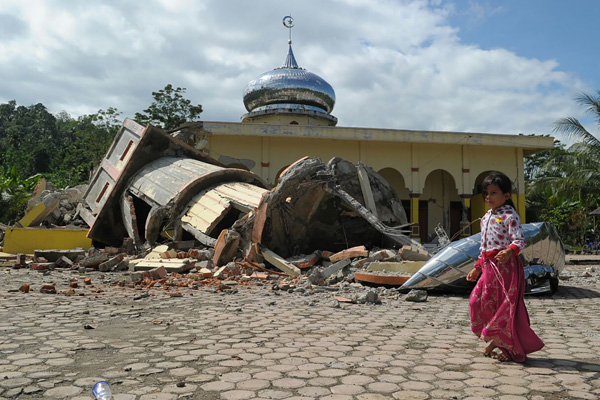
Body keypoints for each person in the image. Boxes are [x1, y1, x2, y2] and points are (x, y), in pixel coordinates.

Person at [467, 171, 544, 362]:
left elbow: (520, 240)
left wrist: (509, 251)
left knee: (503, 308)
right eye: (486, 193)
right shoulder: (485, 217)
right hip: (488, 267)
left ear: (506, 195)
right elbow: (484, 246)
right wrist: (477, 267)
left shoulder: (510, 216)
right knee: (477, 302)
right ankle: (495, 340)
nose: (488, 197)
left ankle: (507, 348)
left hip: (506, 269)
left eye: (494, 193)